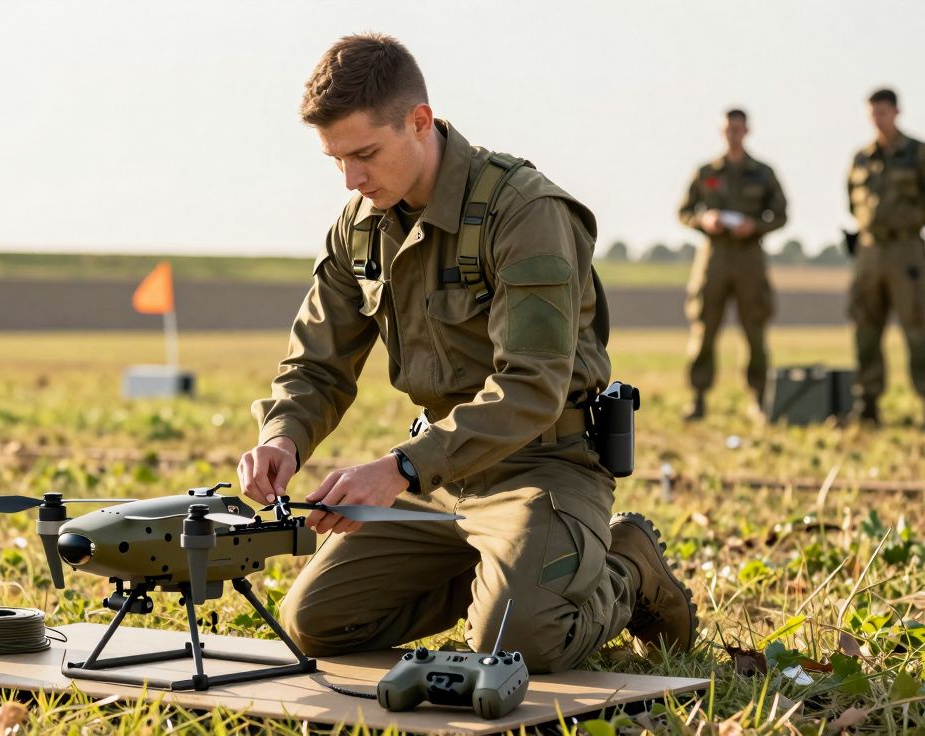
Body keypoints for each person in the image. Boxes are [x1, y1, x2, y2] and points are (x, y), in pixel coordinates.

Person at [237, 33, 695, 672]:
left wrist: (399, 468)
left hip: (546, 466)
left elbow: (533, 386)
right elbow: (316, 364)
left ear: (420, 122)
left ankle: (626, 569)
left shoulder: (523, 211)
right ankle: (505, 574)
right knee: (316, 624)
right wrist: (282, 438)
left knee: (518, 642)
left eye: (365, 153)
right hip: (441, 479)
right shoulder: (360, 224)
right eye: (335, 159)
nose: (351, 178)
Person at [678, 109, 788, 421]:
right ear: (722, 131)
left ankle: (758, 398)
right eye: (728, 129)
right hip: (713, 257)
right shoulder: (706, 171)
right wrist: (704, 220)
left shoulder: (763, 173)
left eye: (738, 128)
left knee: (754, 329)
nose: (733, 134)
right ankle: (697, 399)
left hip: (749, 258)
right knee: (704, 328)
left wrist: (755, 226)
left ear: (747, 130)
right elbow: (684, 211)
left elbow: (780, 214)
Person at [846, 88, 925, 425]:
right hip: (869, 250)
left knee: (918, 327)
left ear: (896, 112)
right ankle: (868, 402)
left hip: (905, 248)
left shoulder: (917, 153)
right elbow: (851, 201)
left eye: (883, 111)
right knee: (865, 326)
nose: (878, 118)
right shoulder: (862, 158)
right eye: (873, 112)